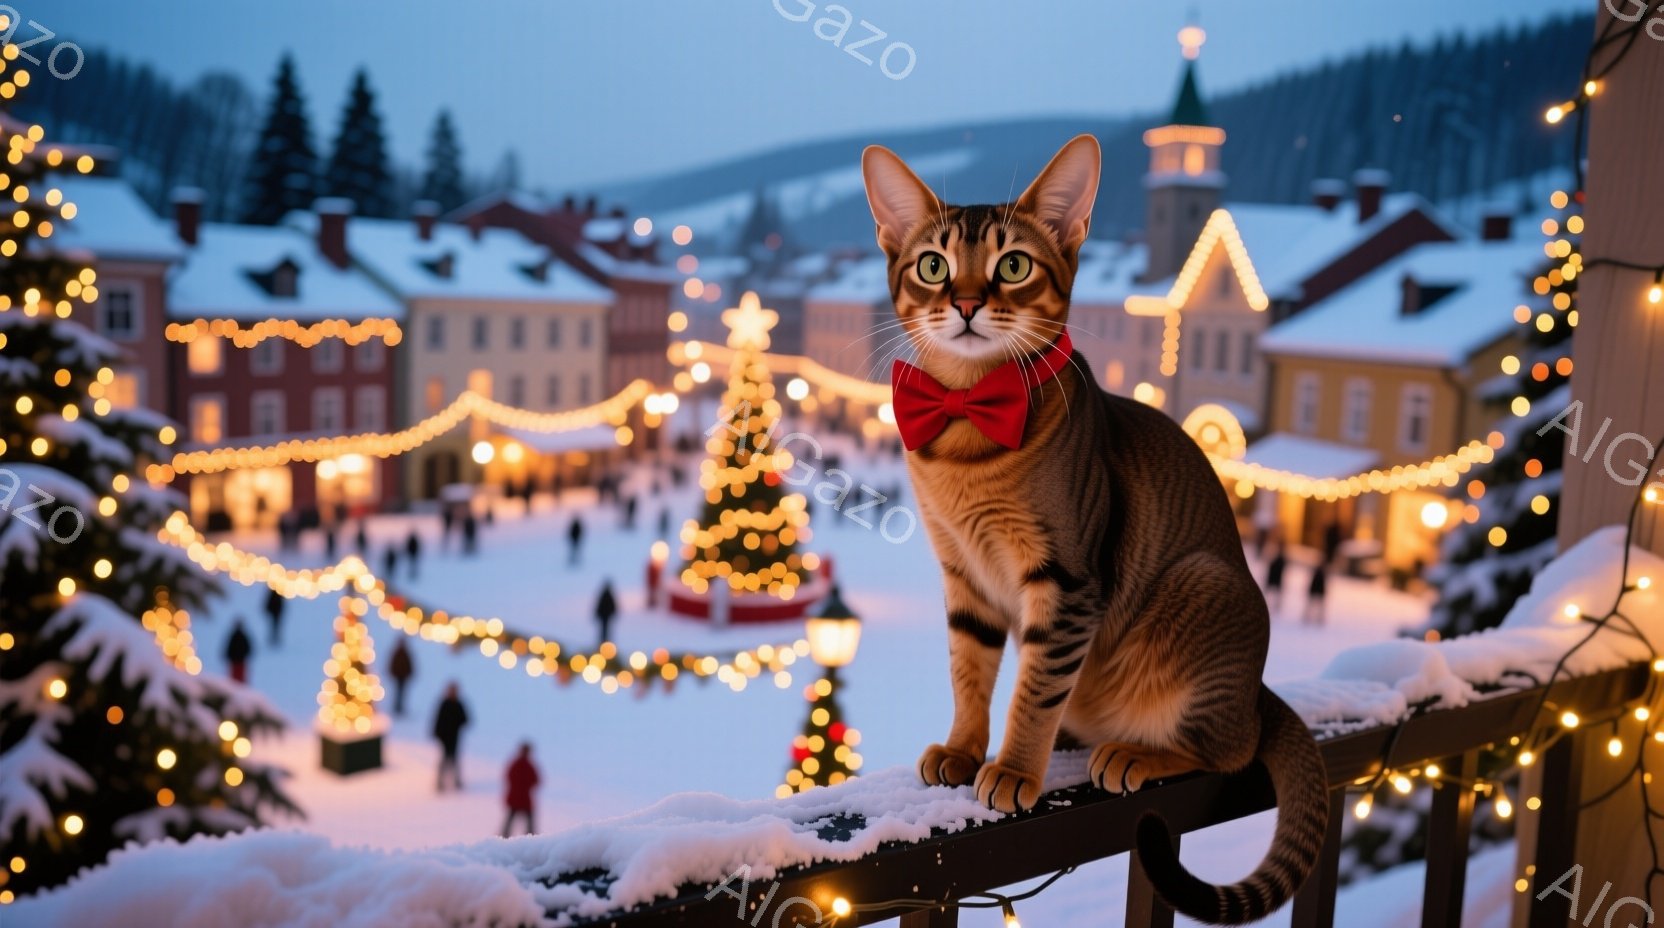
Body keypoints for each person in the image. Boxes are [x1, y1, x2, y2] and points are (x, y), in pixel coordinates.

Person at [433, 683, 469, 792]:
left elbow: (465, 719)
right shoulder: (444, 704)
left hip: (454, 737)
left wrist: (457, 724)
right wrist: (438, 733)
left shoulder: (459, 704)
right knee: (444, 759)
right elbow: (438, 720)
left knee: (455, 759)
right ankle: (440, 781)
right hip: (444, 737)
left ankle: (456, 780)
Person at [501, 742, 541, 838]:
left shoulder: (518, 764)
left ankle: (505, 837)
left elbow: (508, 777)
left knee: (511, 822)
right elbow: (536, 780)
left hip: (517, 798)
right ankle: (531, 839)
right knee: (528, 824)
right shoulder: (526, 765)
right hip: (522, 799)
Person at [389, 638, 414, 716]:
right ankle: (397, 707)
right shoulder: (397, 653)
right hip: (398, 676)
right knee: (398, 692)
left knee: (402, 692)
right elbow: (393, 664)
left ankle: (400, 707)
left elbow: (409, 665)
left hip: (403, 676)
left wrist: (409, 673)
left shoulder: (405, 653)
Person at [225, 619, 253, 683]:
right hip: (238, 661)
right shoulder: (240, 636)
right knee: (237, 680)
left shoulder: (235, 636)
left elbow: (248, 649)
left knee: (235, 680)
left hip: (237, 661)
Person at [1264, 543, 1288, 615]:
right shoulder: (1280, 559)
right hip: (1274, 577)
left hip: (1276, 577)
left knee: (1274, 592)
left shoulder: (1281, 559)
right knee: (1272, 592)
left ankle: (1276, 605)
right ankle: (1273, 604)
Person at [1303, 560, 1329, 626]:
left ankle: (1317, 618)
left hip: (1318, 591)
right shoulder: (1321, 572)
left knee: (1316, 607)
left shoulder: (1321, 573)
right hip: (1317, 591)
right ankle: (1312, 617)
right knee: (1313, 606)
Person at [594, 579, 618, 646]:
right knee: (604, 631)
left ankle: (605, 644)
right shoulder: (607, 595)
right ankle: (604, 644)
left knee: (605, 631)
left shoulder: (606, 595)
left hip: (606, 617)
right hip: (604, 617)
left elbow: (613, 607)